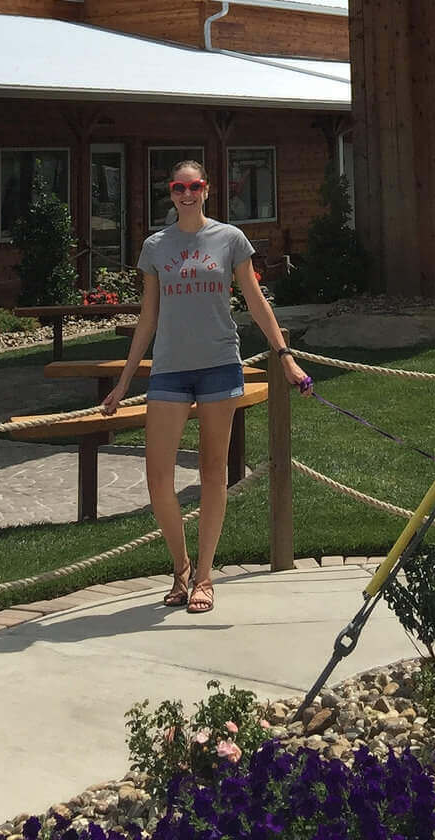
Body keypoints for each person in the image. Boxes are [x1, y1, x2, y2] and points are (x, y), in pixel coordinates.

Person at [100, 157, 311, 614]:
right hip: (170, 371)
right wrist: (122, 382)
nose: (187, 194)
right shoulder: (156, 246)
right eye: (179, 187)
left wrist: (286, 359)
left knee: (213, 472)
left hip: (219, 364)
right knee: (159, 476)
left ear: (207, 189)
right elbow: (148, 316)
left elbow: (256, 301)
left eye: (194, 186)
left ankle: (204, 576)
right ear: (171, 193)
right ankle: (179, 567)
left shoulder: (230, 239)